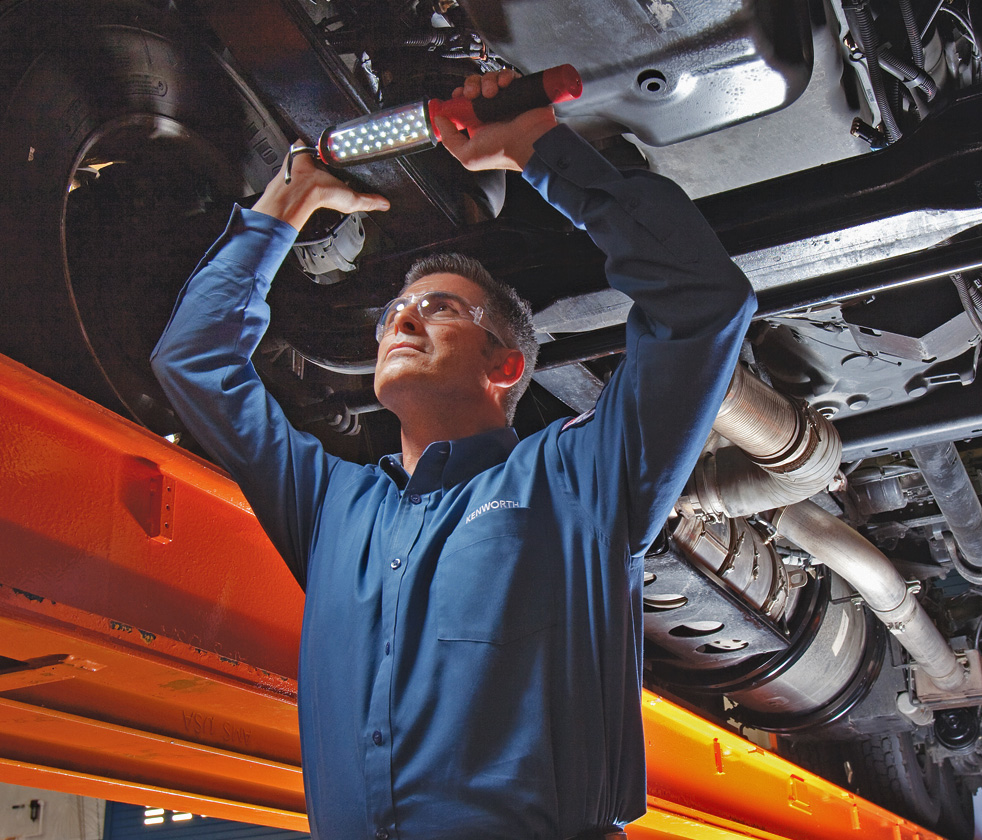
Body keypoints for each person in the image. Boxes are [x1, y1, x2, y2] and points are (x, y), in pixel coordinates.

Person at [150, 70, 755, 840]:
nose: (403, 321)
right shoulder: (334, 506)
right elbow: (194, 361)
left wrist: (541, 150)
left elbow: (701, 301)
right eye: (395, 313)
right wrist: (281, 211)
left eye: (439, 309)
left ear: (507, 367)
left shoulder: (575, 478)